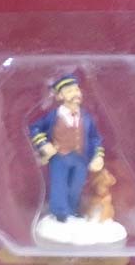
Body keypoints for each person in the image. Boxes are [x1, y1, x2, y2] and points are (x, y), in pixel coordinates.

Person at [29, 75, 105, 222]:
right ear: (59, 96)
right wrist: (43, 144)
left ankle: (72, 210)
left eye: (77, 90)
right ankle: (60, 214)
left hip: (81, 158)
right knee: (59, 185)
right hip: (60, 157)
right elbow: (35, 128)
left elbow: (95, 137)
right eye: (70, 91)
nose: (75, 94)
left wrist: (98, 156)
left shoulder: (86, 117)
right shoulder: (53, 116)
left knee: (76, 186)